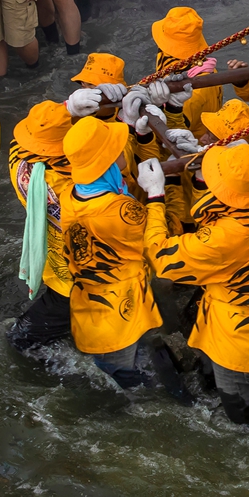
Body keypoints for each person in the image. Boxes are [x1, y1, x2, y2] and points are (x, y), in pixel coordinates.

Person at [138, 141, 249, 425]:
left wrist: (156, 196)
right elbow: (219, 204)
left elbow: (161, 257)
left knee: (244, 417)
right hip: (237, 314)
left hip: (236, 338)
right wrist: (204, 173)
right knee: (213, 378)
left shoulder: (223, 239)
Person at [59, 116, 186, 397]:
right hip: (127, 318)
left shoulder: (69, 195)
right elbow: (164, 237)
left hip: (92, 316)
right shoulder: (121, 211)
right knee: (156, 392)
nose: (122, 152)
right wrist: (157, 193)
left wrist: (137, 133)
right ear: (105, 162)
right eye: (116, 149)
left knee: (121, 382)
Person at [5, 101, 76, 354]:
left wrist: (67, 107)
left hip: (59, 275)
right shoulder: (78, 186)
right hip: (76, 281)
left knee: (19, 341)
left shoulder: (20, 165)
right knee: (21, 341)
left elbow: (18, 144)